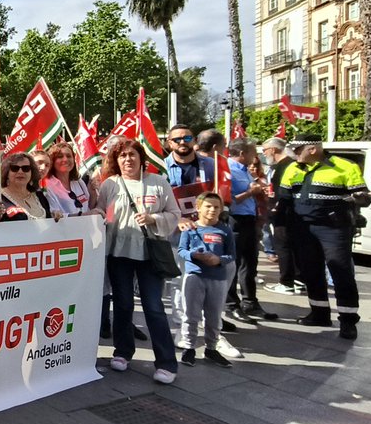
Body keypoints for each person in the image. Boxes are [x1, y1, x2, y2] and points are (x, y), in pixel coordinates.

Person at [97, 138, 182, 384]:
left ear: (141, 157)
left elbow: (174, 214)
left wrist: (154, 218)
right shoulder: (110, 185)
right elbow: (102, 211)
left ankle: (166, 362)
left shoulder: (159, 183)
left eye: (132, 154)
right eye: (122, 155)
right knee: (122, 305)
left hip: (149, 255)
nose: (127, 159)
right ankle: (123, 352)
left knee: (154, 307)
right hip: (118, 254)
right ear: (116, 160)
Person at [275, 133, 371, 339]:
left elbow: (362, 195)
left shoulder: (344, 167)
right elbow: (283, 201)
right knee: (310, 272)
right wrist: (280, 225)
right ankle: (319, 313)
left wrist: (361, 198)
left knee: (341, 272)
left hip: (333, 228)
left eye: (298, 150)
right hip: (302, 229)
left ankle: (347, 321)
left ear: (312, 149)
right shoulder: (292, 168)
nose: (294, 154)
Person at [176, 192, 236, 367]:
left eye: (216, 207)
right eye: (208, 206)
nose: (212, 210)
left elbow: (231, 254)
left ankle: (211, 347)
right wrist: (194, 255)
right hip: (195, 276)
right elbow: (181, 251)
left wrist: (219, 260)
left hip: (217, 278)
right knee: (191, 314)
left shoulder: (225, 230)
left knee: (214, 315)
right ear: (198, 208)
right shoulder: (191, 229)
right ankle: (189, 347)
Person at [223, 139, 274, 324]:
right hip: (235, 220)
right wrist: (251, 192)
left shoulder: (245, 171)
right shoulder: (227, 169)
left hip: (249, 220)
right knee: (233, 264)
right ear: (243, 153)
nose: (256, 157)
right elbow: (229, 198)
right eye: (253, 153)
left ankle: (250, 301)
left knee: (250, 263)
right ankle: (231, 305)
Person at [260, 137, 304, 296]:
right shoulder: (287, 165)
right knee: (293, 247)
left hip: (283, 213)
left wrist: (274, 207)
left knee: (283, 247)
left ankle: (286, 282)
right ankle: (298, 280)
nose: (264, 154)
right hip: (290, 212)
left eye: (265, 150)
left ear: (273, 149)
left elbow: (284, 191)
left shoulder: (285, 166)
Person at [0, 154, 62, 222]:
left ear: (32, 173)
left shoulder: (40, 197)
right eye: (15, 168)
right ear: (6, 173)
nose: (20, 172)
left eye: (26, 168)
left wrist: (54, 217)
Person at [42, 141, 95, 217]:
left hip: (86, 227)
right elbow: (54, 216)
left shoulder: (79, 182)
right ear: (52, 161)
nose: (65, 159)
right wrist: (83, 215)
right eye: (60, 156)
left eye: (69, 156)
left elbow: (89, 208)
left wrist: (93, 193)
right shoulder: (47, 186)